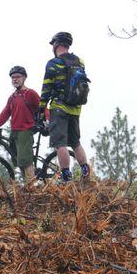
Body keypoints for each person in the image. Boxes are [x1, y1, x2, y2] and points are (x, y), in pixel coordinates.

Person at [39, 32, 90, 182]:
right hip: (76, 108)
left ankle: (66, 176)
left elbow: (46, 88)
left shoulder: (53, 63)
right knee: (75, 142)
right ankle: (86, 172)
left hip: (59, 108)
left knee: (60, 143)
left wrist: (42, 108)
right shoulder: (80, 62)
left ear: (56, 44)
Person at [0, 66, 42, 182]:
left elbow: (42, 107)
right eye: (13, 78)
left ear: (24, 78)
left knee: (26, 161)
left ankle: (32, 188)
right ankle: (27, 187)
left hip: (25, 130)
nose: (15, 79)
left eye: (17, 77)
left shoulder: (30, 93)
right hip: (14, 131)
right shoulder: (12, 97)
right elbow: (5, 113)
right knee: (20, 162)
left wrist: (48, 119)